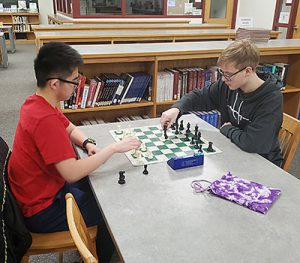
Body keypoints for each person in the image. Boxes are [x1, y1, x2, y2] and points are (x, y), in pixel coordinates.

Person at [8, 42, 141, 262]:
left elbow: (68, 127)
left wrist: (87, 142)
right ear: (54, 83)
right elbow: (71, 173)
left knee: (99, 184)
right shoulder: (45, 120)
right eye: (74, 81)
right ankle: (98, 256)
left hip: (36, 193)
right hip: (41, 210)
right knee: (114, 210)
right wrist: (112, 148)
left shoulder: (37, 103)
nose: (77, 86)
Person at [160, 39, 283, 167]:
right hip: (233, 149)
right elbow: (200, 97)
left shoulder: (271, 99)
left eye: (228, 74)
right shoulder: (228, 85)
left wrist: (227, 129)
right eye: (222, 73)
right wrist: (177, 109)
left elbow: (253, 143)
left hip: (261, 162)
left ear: (247, 71)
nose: (223, 79)